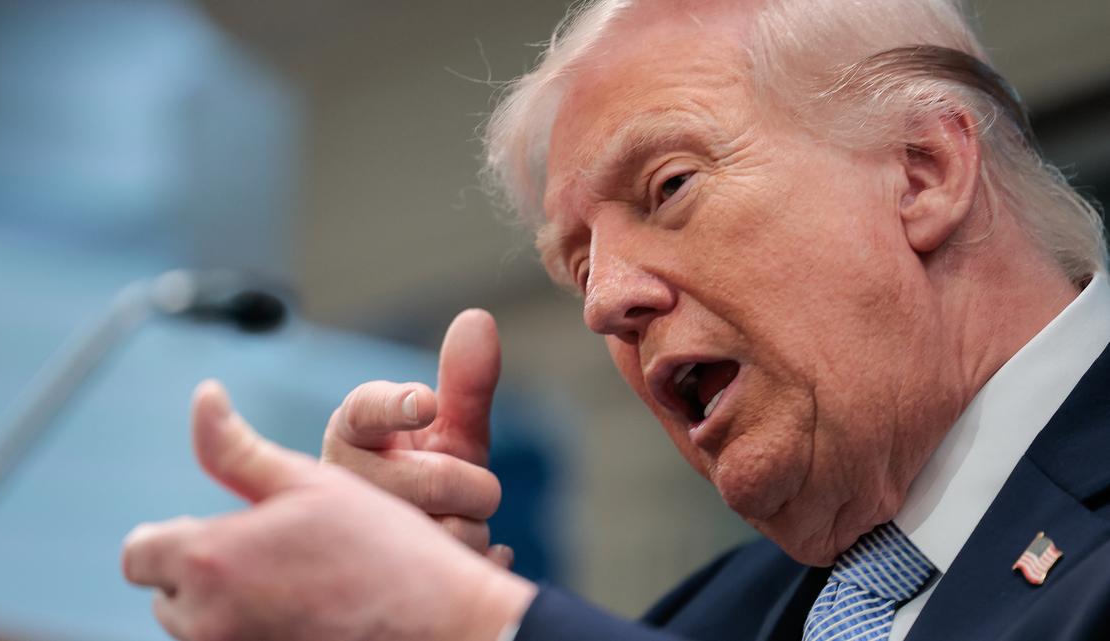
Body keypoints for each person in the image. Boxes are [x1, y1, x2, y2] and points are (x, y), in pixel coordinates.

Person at [121, 0, 1110, 640]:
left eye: (669, 184)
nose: (606, 301)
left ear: (923, 172)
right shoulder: (708, 620)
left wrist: (477, 620)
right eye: (579, 262)